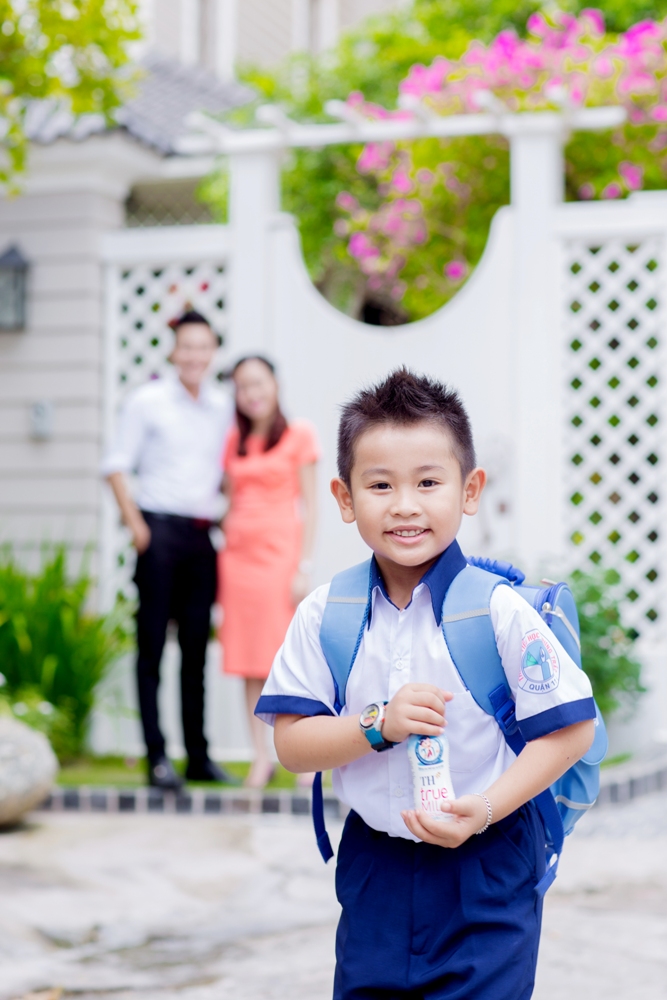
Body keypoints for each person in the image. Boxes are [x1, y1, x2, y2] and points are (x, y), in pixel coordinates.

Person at [255, 369, 596, 999]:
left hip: (489, 859)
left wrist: (485, 809)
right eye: (380, 484)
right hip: (375, 867)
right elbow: (292, 745)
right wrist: (376, 725)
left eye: (429, 482)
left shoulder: (498, 610)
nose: (405, 505)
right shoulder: (327, 613)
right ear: (345, 497)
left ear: (470, 490)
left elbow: (571, 730)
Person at [103, 310, 238, 791]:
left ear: (213, 351)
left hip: (202, 537)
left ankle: (198, 757)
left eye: (203, 347)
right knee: (152, 648)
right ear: (174, 351)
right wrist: (138, 528)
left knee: (197, 649)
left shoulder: (223, 406)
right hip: (158, 533)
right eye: (187, 346)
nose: (195, 355)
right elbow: (115, 465)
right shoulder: (148, 401)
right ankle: (157, 757)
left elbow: (229, 469)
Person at [219, 356, 318, 789]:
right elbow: (229, 498)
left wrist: (303, 565)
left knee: (288, 656)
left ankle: (304, 756)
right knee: (247, 660)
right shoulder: (234, 439)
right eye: (243, 386)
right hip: (238, 562)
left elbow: (311, 506)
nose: (252, 393)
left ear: (275, 384)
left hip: (279, 560)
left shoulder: (299, 434)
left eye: (258, 383)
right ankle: (260, 756)